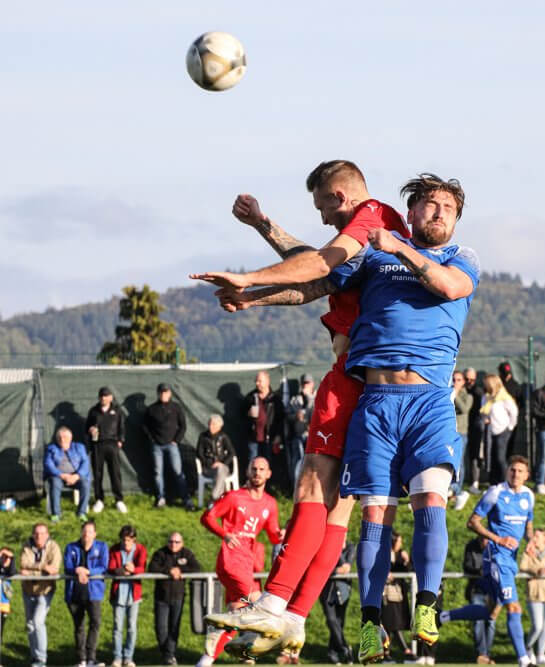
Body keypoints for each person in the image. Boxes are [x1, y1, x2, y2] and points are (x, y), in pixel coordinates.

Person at [192, 159, 411, 662]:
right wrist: (261, 251)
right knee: (340, 508)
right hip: (386, 388)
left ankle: (272, 601)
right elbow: (317, 274)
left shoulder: (372, 216)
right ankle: (295, 615)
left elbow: (316, 267)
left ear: (342, 195)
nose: (324, 220)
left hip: (353, 378)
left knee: (314, 484)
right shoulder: (377, 244)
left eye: (323, 208)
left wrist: (246, 281)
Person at [438, 457, 534, 667]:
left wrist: (530, 540)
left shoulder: (529, 496)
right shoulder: (496, 493)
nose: (515, 474)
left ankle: (442, 617)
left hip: (511, 560)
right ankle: (524, 660)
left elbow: (528, 525)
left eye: (520, 471)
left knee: (490, 612)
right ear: (507, 471)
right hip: (497, 560)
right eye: (512, 470)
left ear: (527, 475)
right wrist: (498, 539)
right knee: (514, 607)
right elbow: (472, 522)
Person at [200, 457, 283, 663]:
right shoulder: (234, 497)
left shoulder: (270, 504)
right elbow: (207, 517)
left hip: (249, 563)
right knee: (262, 606)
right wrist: (225, 534)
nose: (257, 472)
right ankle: (240, 645)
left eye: (261, 469)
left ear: (268, 474)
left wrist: (281, 534)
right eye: (253, 468)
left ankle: (206, 660)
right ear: (248, 472)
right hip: (232, 560)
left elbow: (273, 535)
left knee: (240, 614)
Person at [148, 531, 201, 666]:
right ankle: (167, 653)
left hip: (178, 597)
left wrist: (180, 571)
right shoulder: (160, 553)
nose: (173, 544)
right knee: (161, 628)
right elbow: (152, 567)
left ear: (182, 543)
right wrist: (169, 570)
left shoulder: (186, 554)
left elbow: (196, 568)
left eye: (177, 542)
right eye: (171, 541)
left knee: (174, 627)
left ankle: (169, 656)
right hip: (161, 597)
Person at [64, 520, 109, 667]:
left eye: (90, 531)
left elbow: (103, 566)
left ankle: (91, 657)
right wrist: (77, 570)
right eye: (84, 531)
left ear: (95, 534)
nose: (86, 534)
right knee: (79, 626)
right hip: (75, 592)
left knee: (95, 622)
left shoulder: (102, 547)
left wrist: (88, 572)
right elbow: (68, 566)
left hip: (94, 592)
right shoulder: (71, 547)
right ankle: (81, 659)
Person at [144, 383, 194, 510]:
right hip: (157, 447)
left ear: (170, 394)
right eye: (161, 392)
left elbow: (183, 426)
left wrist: (176, 440)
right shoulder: (151, 409)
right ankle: (161, 498)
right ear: (158, 394)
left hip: (172, 445)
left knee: (178, 472)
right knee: (157, 472)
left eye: (166, 392)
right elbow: (145, 427)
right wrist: (152, 440)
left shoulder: (176, 408)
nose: (164, 395)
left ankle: (186, 499)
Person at [20, 522, 62, 667]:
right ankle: (34, 658)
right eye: (36, 533)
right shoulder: (26, 546)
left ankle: (41, 659)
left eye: (42, 533)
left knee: (38, 621)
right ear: (33, 534)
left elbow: (54, 568)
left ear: (47, 535)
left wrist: (32, 570)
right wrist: (43, 567)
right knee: (30, 625)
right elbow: (22, 564)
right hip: (28, 590)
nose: (39, 536)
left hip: (45, 591)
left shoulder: (54, 547)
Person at [108, 525, 147, 667]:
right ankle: (117, 657)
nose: (126, 543)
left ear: (134, 539)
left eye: (129, 540)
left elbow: (142, 567)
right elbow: (111, 568)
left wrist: (133, 569)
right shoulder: (114, 549)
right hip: (118, 594)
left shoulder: (141, 549)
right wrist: (122, 570)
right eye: (124, 540)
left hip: (134, 594)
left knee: (132, 627)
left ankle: (128, 657)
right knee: (117, 627)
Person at [85, 386, 128, 514]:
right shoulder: (93, 411)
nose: (103, 398)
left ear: (111, 397)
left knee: (115, 473)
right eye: (101, 396)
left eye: (106, 396)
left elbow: (122, 427)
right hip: (97, 445)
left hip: (113, 444)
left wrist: (120, 440)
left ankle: (119, 500)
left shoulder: (117, 410)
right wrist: (91, 430)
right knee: (98, 474)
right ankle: (99, 499)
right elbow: (87, 427)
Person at [520, 528, 545, 665]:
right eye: (534, 536)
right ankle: (527, 648)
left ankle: (541, 654)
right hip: (534, 593)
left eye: (537, 536)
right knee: (537, 625)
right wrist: (537, 570)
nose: (535, 538)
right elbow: (523, 566)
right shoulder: (528, 552)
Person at [43, 426, 92, 521]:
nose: (62, 439)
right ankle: (56, 514)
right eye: (59, 437)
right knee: (54, 482)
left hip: (76, 476)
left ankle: (81, 513)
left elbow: (85, 463)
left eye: (64, 437)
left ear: (70, 438)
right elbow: (48, 464)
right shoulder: (51, 448)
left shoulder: (79, 447)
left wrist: (77, 475)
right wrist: (62, 475)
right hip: (59, 476)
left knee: (85, 483)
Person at [321, 539, 357, 664]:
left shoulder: (350, 547)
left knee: (339, 622)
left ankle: (332, 653)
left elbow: (346, 567)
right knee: (331, 620)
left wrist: (339, 549)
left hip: (343, 588)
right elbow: (321, 567)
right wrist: (336, 570)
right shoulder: (326, 545)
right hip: (327, 589)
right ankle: (345, 648)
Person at [462, 535, 496, 664]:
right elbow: (467, 566)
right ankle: (482, 653)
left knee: (491, 622)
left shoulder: (494, 547)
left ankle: (487, 653)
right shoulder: (471, 546)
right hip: (476, 589)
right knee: (478, 622)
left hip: (491, 591)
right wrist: (481, 571)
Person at [243, 370, 285, 474]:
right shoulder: (250, 397)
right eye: (256, 381)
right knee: (252, 462)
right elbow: (242, 414)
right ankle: (251, 484)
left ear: (267, 381)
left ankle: (267, 486)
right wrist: (248, 414)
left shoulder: (275, 399)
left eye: (260, 381)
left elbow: (281, 419)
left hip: (269, 437)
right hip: (254, 437)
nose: (257, 383)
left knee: (267, 462)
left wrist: (278, 436)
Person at [482, 373, 519, 485]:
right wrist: (486, 419)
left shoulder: (504, 397)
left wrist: (510, 427)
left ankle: (505, 482)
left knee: (500, 458)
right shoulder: (486, 397)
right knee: (492, 458)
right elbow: (484, 412)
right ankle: (494, 483)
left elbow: (514, 412)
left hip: (503, 431)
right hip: (490, 431)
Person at [383, 533, 414, 661]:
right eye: (398, 541)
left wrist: (406, 561)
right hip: (385, 594)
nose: (400, 544)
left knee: (392, 624)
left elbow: (408, 571)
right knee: (389, 624)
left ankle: (387, 654)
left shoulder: (401, 554)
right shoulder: (383, 554)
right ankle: (406, 651)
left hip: (398, 594)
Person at [197, 414, 237, 500]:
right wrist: (208, 463)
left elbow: (231, 452)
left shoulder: (223, 437)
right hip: (209, 469)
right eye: (210, 424)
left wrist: (221, 463)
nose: (211, 426)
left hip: (223, 467)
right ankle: (217, 498)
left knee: (221, 470)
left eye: (214, 424)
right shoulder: (203, 436)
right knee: (220, 473)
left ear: (219, 426)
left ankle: (214, 497)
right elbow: (199, 453)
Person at [287, 374, 315, 485]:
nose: (305, 385)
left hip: (313, 436)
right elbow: (287, 415)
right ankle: (297, 485)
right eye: (303, 383)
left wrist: (308, 398)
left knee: (312, 461)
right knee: (297, 461)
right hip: (298, 435)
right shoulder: (295, 399)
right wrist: (295, 416)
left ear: (312, 384)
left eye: (307, 383)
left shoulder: (318, 397)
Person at [452, 369, 474, 509]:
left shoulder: (468, 396)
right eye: (453, 379)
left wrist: (455, 394)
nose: (455, 382)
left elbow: (464, 409)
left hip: (460, 433)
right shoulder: (445, 394)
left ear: (464, 382)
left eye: (459, 380)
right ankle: (448, 490)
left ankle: (457, 490)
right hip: (446, 432)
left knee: (459, 463)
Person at [465, 368, 488, 494]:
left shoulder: (478, 392)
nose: (469, 382)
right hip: (462, 426)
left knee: (475, 456)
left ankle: (475, 481)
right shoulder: (461, 391)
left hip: (475, 428)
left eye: (472, 379)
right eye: (466, 379)